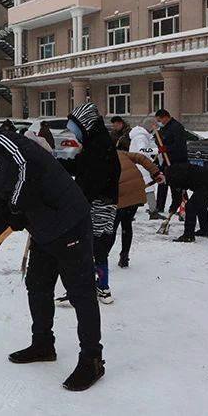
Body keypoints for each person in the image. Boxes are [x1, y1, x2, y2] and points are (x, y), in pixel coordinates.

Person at [0, 122, 105, 391]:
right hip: (43, 229)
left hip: (68, 221)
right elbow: (3, 210)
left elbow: (28, 168)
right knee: (37, 284)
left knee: (80, 292)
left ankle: (92, 360)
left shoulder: (2, 141)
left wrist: (18, 207)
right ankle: (43, 344)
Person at [63, 102, 121, 304]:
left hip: (98, 206)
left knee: (85, 249)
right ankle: (102, 289)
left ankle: (81, 292)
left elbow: (91, 181)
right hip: (105, 203)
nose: (75, 134)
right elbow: (80, 168)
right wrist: (57, 163)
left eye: (76, 129)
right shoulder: (96, 143)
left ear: (86, 124)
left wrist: (76, 205)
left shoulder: (99, 147)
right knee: (99, 248)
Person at [114, 151, 164, 267]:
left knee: (111, 228)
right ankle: (124, 256)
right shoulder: (120, 153)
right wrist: (156, 173)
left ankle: (102, 259)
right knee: (126, 224)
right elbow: (141, 157)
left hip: (121, 192)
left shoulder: (98, 157)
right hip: (136, 190)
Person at [164, 163, 208, 242]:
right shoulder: (173, 171)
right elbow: (178, 197)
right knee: (201, 207)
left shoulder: (173, 176)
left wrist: (172, 209)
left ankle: (188, 236)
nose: (162, 183)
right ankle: (205, 230)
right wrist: (173, 209)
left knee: (191, 207)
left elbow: (177, 197)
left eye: (159, 180)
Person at [154, 109, 188, 218]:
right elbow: (162, 139)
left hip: (177, 160)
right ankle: (159, 206)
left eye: (160, 120)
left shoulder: (177, 127)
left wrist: (166, 148)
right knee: (162, 181)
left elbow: (180, 145)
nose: (160, 122)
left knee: (176, 185)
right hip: (166, 159)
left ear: (165, 117)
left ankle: (178, 207)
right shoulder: (165, 128)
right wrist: (158, 140)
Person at [129, 117, 162, 219]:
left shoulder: (139, 135)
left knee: (137, 189)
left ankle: (129, 213)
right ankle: (153, 212)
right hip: (140, 166)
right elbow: (142, 150)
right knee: (148, 188)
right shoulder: (140, 137)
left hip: (139, 164)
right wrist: (157, 150)